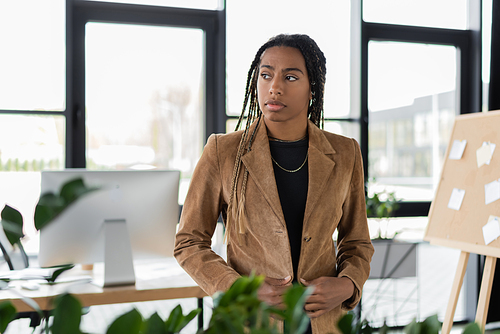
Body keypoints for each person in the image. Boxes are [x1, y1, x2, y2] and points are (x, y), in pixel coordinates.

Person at [174, 34, 374, 334]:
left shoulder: (345, 152)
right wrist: (237, 288)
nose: (274, 87)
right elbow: (188, 242)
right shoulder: (223, 151)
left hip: (324, 324)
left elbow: (357, 242)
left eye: (290, 77)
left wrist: (347, 285)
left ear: (312, 90)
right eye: (265, 75)